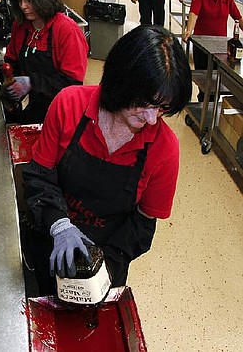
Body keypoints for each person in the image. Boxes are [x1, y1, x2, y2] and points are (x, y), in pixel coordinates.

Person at [22, 25, 191, 296]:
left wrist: (103, 271)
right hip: (49, 239)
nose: (152, 119)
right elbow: (39, 175)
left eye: (162, 109)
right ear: (120, 83)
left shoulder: (165, 149)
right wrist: (60, 225)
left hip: (107, 259)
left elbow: (142, 226)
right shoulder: (69, 105)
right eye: (145, 104)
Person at [2, 0, 88, 124]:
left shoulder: (67, 30)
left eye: (28, 0)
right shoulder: (20, 25)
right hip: (29, 109)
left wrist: (32, 82)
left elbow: (72, 83)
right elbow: (11, 59)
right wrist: (10, 83)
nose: (23, 6)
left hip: (59, 113)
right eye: (19, 0)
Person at [181, 0, 243, 101]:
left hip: (220, 47)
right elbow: (194, 13)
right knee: (204, 81)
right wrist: (189, 30)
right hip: (202, 45)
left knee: (217, 81)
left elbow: (238, 17)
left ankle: (212, 110)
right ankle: (202, 107)